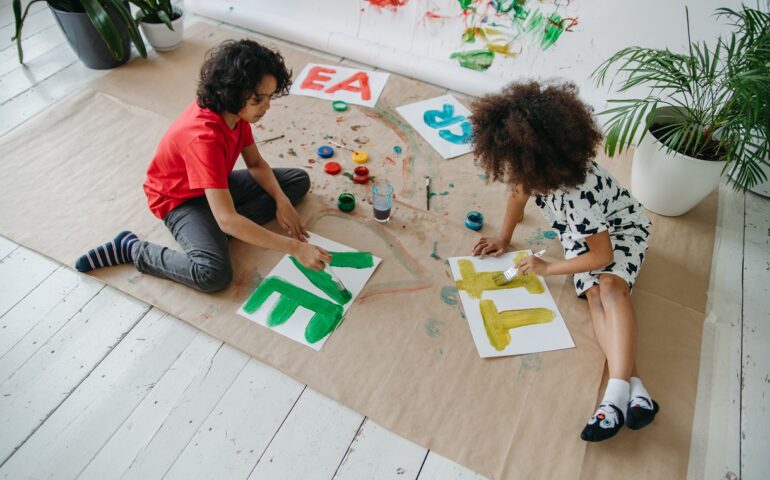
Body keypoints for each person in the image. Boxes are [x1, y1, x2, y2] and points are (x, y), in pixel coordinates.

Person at [469, 80, 659, 442]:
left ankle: (614, 396)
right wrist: (504, 238)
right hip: (579, 234)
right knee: (592, 298)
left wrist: (548, 268)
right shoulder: (532, 170)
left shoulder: (578, 194)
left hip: (620, 231)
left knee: (610, 287)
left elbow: (603, 255)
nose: (512, 171)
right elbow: (517, 196)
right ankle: (637, 392)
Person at [75, 39, 331, 291]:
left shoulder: (237, 114)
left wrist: (280, 200)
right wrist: (295, 248)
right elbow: (228, 218)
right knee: (213, 274)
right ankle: (131, 249)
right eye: (259, 100)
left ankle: (220, 226)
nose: (267, 107)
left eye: (269, 98)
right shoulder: (203, 139)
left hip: (214, 185)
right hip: (179, 201)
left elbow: (254, 162)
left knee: (295, 182)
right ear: (233, 92)